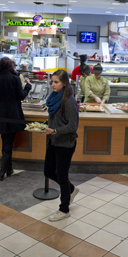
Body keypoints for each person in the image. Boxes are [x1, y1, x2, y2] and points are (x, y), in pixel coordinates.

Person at [0, 57, 31, 180]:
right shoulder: (15, 79)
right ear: (11, 67)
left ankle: (5, 170)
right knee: (8, 142)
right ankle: (5, 170)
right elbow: (21, 96)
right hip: (13, 115)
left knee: (6, 141)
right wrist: (28, 87)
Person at [43, 70, 80, 221]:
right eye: (52, 82)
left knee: (62, 176)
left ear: (64, 83)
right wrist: (45, 126)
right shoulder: (54, 98)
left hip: (65, 144)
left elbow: (73, 126)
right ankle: (71, 189)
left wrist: (55, 130)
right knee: (48, 171)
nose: (53, 84)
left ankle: (64, 210)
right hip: (54, 140)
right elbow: (55, 119)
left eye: (56, 82)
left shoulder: (69, 101)